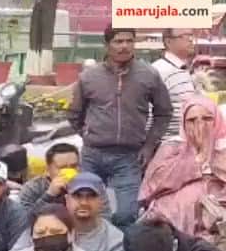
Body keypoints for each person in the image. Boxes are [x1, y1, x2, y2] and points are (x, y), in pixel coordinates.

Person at [68, 25, 172, 228]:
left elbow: (164, 112)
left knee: (126, 214)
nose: (124, 46)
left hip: (129, 157)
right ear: (107, 45)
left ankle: (121, 248)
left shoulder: (148, 75)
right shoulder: (89, 77)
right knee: (87, 212)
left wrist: (149, 146)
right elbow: (74, 114)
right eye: (118, 41)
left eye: (129, 41)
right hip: (92, 156)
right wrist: (89, 134)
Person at [140, 96, 226, 247]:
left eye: (207, 119)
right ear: (184, 123)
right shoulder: (172, 147)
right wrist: (197, 159)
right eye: (192, 120)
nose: (200, 126)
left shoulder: (223, 148)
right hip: (173, 218)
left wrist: (212, 157)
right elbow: (152, 186)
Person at [151, 28, 199, 144]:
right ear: (168, 42)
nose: (191, 40)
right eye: (185, 36)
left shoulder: (182, 69)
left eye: (191, 35)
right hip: (166, 146)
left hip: (184, 145)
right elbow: (148, 114)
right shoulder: (159, 71)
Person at [17, 142, 80, 217]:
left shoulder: (87, 185)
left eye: (74, 166)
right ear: (48, 170)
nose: (69, 171)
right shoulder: (33, 188)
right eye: (62, 168)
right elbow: (24, 219)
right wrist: (49, 195)